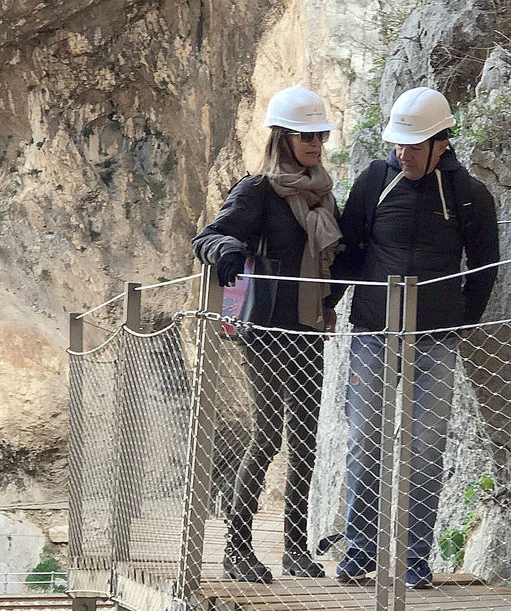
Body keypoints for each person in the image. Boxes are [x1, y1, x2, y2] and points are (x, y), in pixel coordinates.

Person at [326, 86, 499, 589]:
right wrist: (332, 307)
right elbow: (350, 250)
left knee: (425, 447)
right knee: (364, 439)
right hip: (374, 330)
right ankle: (360, 550)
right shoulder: (374, 181)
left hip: (436, 337)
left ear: (441, 142)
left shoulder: (469, 195)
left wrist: (458, 320)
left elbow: (484, 267)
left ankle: (414, 558)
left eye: (414, 145)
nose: (403, 153)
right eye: (398, 144)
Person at [191, 85, 340, 583]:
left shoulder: (322, 190)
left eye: (319, 134)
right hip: (266, 329)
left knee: (306, 439)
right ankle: (236, 549)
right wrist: (227, 250)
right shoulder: (258, 189)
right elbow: (209, 236)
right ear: (283, 137)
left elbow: (330, 260)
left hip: (308, 327)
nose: (315, 143)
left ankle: (294, 548)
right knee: (268, 436)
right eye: (305, 135)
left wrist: (333, 300)